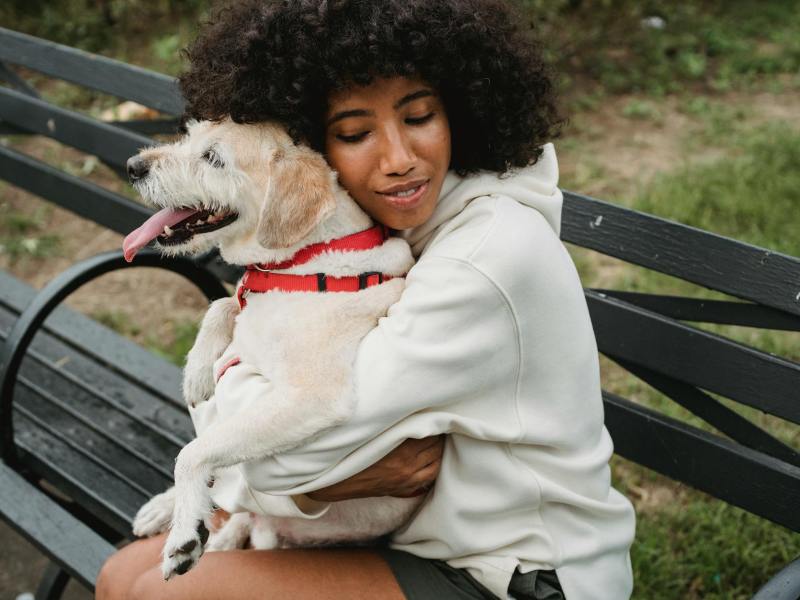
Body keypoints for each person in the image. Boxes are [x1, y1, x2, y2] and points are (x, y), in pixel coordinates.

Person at [96, 1, 636, 599]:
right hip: (412, 542)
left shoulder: (485, 256)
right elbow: (299, 459)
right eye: (355, 134)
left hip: (515, 574)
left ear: (461, 110)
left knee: (162, 595)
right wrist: (312, 482)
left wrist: (281, 475)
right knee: (121, 575)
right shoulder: (394, 228)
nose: (399, 158)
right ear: (314, 152)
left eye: (422, 116)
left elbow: (300, 441)